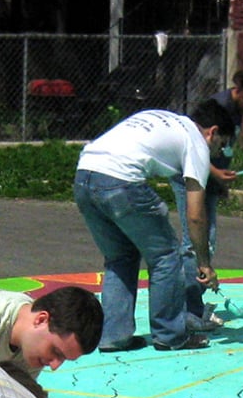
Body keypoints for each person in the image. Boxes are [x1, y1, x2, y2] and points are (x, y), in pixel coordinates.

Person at [72, 99, 226, 352]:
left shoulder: (162, 117)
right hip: (122, 182)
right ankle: (170, 335)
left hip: (84, 175)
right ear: (213, 132)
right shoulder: (197, 142)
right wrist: (204, 263)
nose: (218, 153)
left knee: (120, 257)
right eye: (220, 145)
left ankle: (114, 336)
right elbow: (196, 215)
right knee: (166, 256)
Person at [188, 63, 243, 329]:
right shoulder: (220, 106)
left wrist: (220, 179)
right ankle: (190, 309)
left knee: (207, 241)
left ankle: (194, 305)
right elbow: (193, 145)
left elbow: (220, 151)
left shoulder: (236, 112)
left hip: (210, 182)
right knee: (196, 242)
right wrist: (214, 172)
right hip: (196, 179)